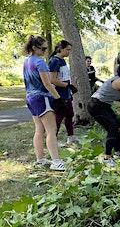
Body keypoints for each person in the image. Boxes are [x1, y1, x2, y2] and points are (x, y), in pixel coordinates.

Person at [22, 35, 66, 171]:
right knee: (51, 130)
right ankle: (56, 161)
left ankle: (40, 159)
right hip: (42, 98)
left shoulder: (26, 61)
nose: (46, 51)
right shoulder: (40, 62)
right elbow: (48, 84)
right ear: (34, 48)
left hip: (30, 98)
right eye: (44, 49)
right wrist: (59, 99)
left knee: (39, 129)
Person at [48, 40, 79, 146]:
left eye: (70, 50)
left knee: (69, 114)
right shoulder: (54, 61)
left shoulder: (62, 60)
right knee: (59, 117)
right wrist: (68, 85)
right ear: (60, 49)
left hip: (66, 93)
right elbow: (52, 80)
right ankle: (53, 140)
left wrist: (69, 87)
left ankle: (71, 137)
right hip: (59, 94)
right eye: (67, 50)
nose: (69, 52)